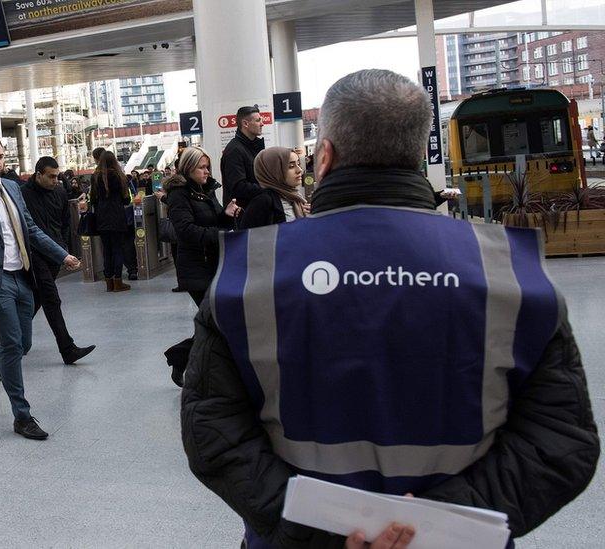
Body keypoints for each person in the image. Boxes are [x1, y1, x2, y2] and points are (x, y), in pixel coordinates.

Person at [180, 69, 600, 548]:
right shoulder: (511, 272)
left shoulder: (249, 273)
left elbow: (211, 429)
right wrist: (430, 529)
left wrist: (321, 531)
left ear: (325, 156)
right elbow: (561, 442)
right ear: (420, 153)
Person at [0, 134, 81, 440]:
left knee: (23, 344)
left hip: (21, 277)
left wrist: (62, 254)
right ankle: (22, 416)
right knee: (11, 344)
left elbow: (31, 230)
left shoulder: (11, 187)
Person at [163, 146, 239, 386]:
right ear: (189, 168)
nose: (207, 172)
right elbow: (185, 231)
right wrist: (221, 234)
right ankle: (187, 359)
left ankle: (181, 356)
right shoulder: (179, 194)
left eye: (208, 167)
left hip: (212, 264)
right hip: (196, 268)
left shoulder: (205, 190)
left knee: (214, 320)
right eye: (202, 167)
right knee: (216, 320)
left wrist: (225, 216)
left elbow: (211, 220)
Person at [21, 156, 96, 365]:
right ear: (38, 174)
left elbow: (64, 223)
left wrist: (62, 250)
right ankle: (67, 348)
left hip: (54, 254)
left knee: (36, 300)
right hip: (34, 255)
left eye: (57, 176)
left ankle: (14, 340)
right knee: (51, 299)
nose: (56, 180)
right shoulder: (22, 195)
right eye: (51, 176)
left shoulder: (60, 193)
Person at [90, 151, 131, 292]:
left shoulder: (95, 177)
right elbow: (127, 199)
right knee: (118, 249)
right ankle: (118, 282)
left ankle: (109, 283)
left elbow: (93, 199)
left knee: (106, 250)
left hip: (101, 217)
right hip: (117, 216)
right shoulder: (119, 176)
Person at [240, 147, 308, 230]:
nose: (299, 170)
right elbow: (249, 239)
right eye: (291, 166)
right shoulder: (263, 202)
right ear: (275, 171)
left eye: (298, 164)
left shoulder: (296, 198)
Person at [221, 105, 266, 209]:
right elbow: (239, 187)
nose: (262, 124)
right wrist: (268, 187)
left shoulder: (252, 146)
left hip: (255, 210)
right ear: (245, 123)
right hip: (244, 215)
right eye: (258, 120)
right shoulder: (234, 150)